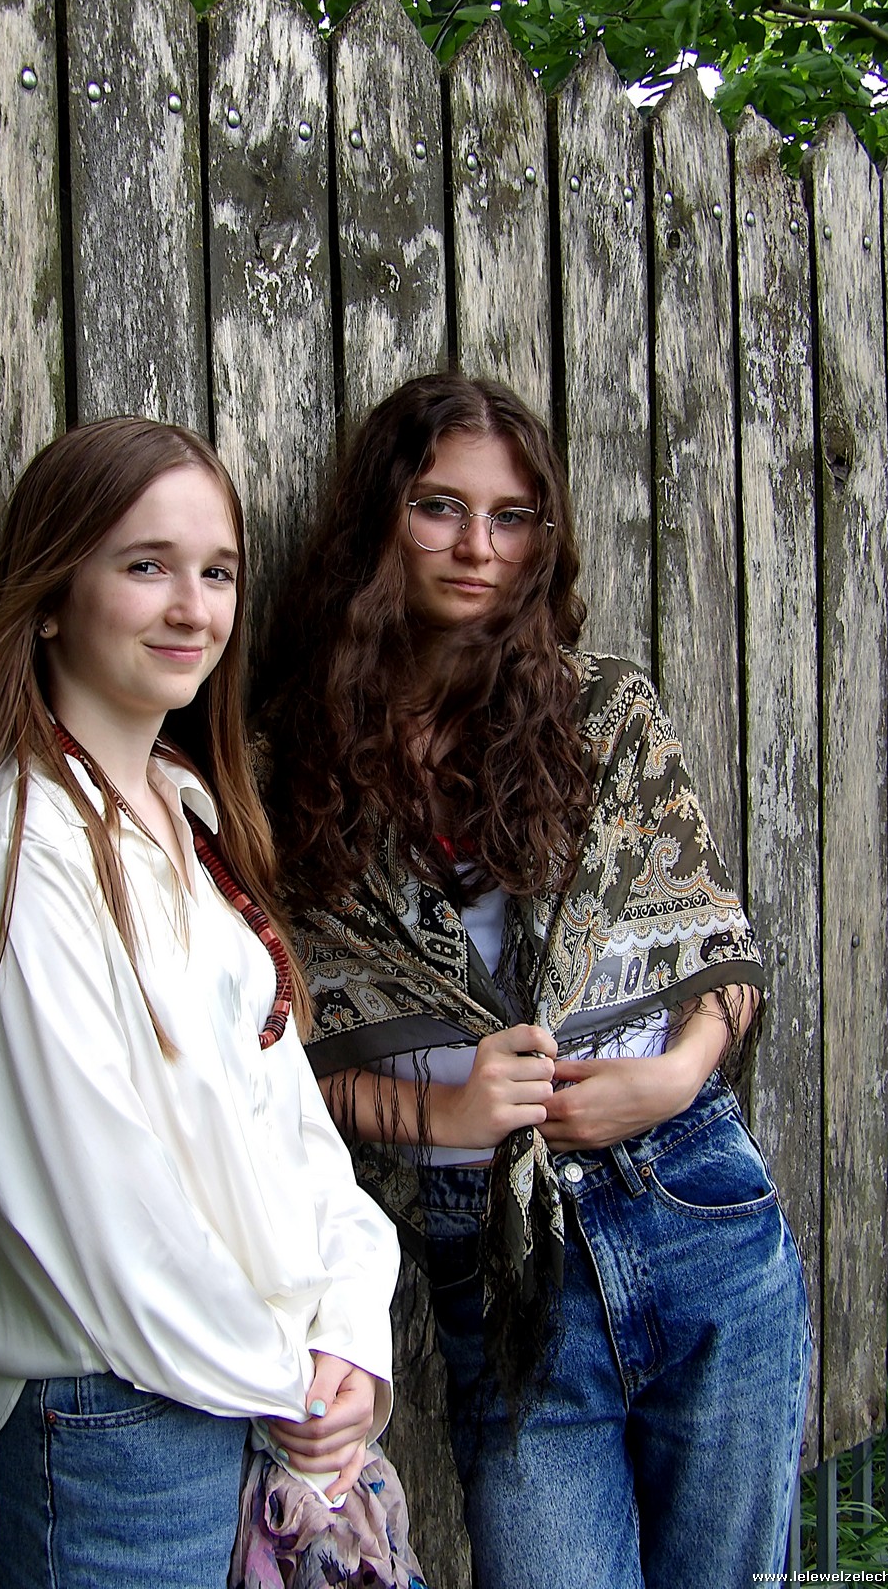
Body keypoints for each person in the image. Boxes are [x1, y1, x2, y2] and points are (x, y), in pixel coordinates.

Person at [260, 373, 811, 1589]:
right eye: (439, 507)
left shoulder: (605, 713)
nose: (479, 546)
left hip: (692, 1199)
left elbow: (720, 954)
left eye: (512, 517)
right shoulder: (294, 763)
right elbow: (284, 1057)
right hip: (496, 1255)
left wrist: (673, 1078)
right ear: (377, 519)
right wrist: (444, 1114)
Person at [0, 417, 419, 1588]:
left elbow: (293, 1132)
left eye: (218, 571)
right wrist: (288, 1375)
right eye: (147, 565)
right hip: (120, 1433)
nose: (194, 607)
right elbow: (102, 1203)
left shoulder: (187, 814)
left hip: (267, 1395)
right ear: (51, 596)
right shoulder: (23, 842)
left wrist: (350, 1335)